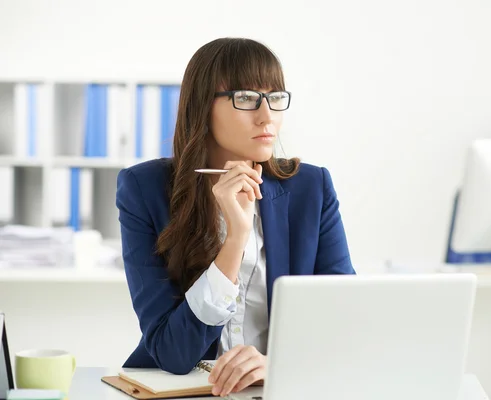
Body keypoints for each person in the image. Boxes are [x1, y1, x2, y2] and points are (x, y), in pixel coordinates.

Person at [115, 37, 355, 397]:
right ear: (202, 107)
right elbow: (171, 352)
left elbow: (347, 323)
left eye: (275, 98)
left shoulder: (311, 188)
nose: (267, 116)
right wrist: (235, 240)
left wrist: (277, 364)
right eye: (246, 99)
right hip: (183, 392)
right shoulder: (144, 189)